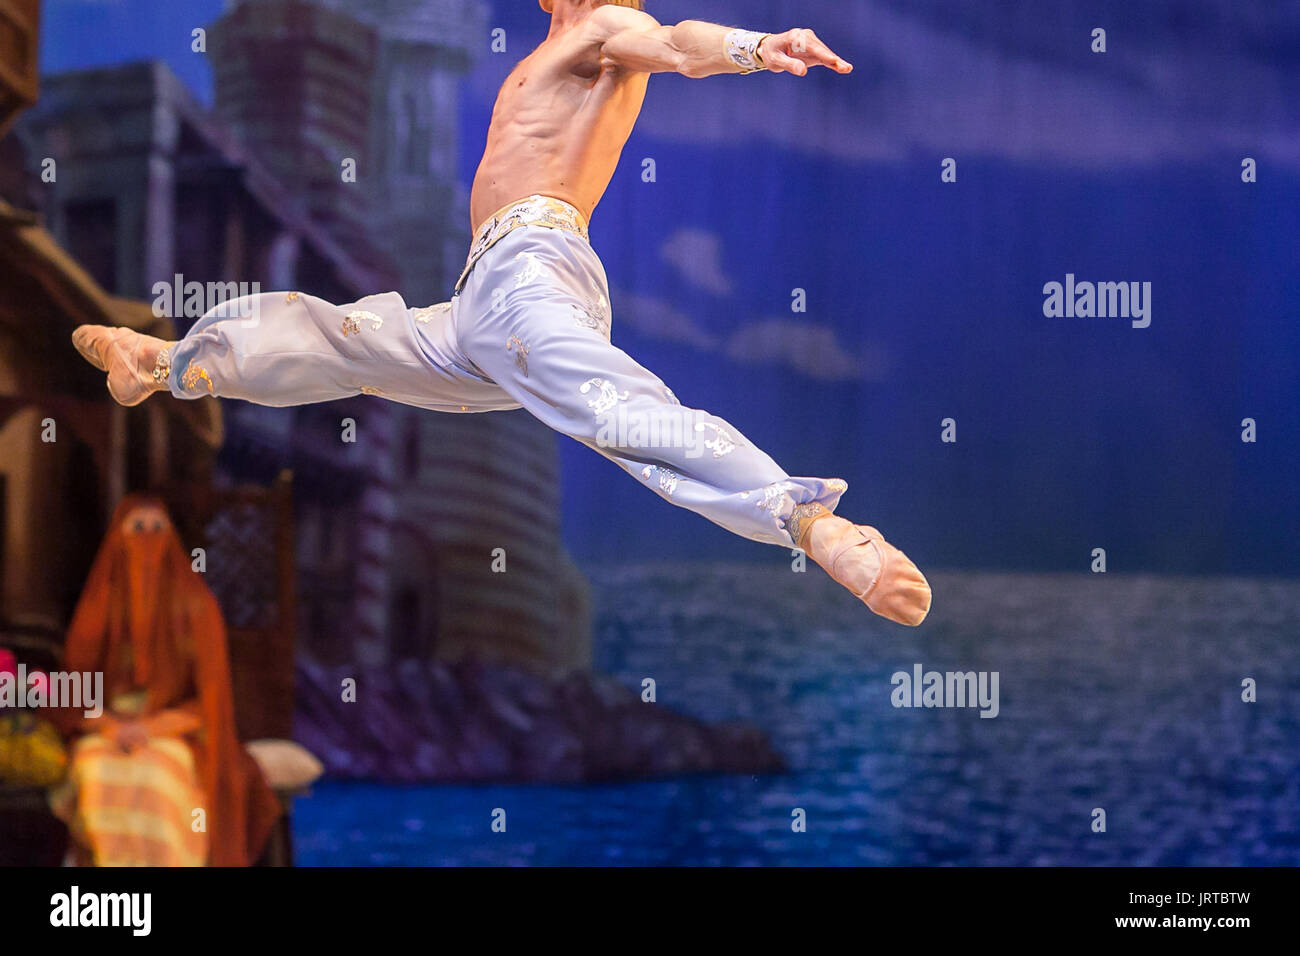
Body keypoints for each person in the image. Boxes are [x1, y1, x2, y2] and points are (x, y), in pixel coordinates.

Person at [71, 1, 931, 626]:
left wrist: (754, 46)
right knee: (338, 335)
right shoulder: (553, 46)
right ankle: (166, 364)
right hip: (483, 300)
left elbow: (674, 43)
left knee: (619, 411)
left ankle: (815, 524)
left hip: (529, 274)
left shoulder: (605, 29)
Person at [49, 495, 281, 866]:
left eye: (158, 529)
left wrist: (151, 728)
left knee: (160, 779)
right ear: (118, 539)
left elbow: (210, 700)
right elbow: (70, 696)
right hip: (105, 732)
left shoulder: (198, 608)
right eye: (137, 528)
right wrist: (111, 727)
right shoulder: (97, 608)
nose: (148, 539)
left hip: (175, 734)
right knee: (95, 771)